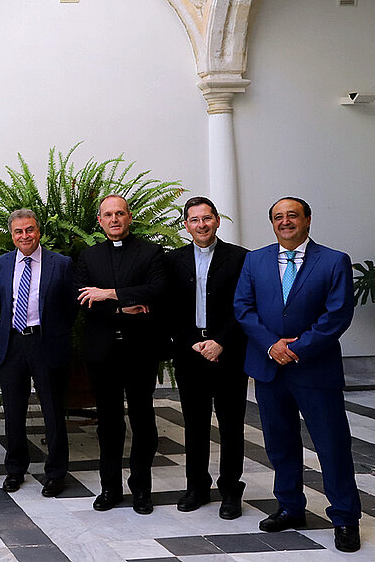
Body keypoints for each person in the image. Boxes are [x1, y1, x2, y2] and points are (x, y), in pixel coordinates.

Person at [234, 197, 361, 553]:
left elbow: (337, 315)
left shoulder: (333, 260)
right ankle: (290, 507)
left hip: (315, 369)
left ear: (307, 220)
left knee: (332, 445)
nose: (285, 221)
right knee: (279, 443)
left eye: (293, 215)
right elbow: (243, 309)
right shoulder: (254, 259)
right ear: (271, 224)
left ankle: (345, 518)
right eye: (278, 217)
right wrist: (272, 346)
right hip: (269, 368)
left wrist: (297, 348)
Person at [75, 194, 167, 515]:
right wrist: (126, 306)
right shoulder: (88, 256)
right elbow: (82, 299)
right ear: (99, 221)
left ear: (130, 217)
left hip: (139, 351)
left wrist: (109, 294)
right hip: (102, 353)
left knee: (143, 420)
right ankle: (109, 488)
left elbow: (158, 291)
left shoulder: (151, 252)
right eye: (108, 215)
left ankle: (141, 489)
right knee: (109, 423)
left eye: (120, 214)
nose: (114, 220)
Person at [165, 197, 248, 519]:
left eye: (207, 218)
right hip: (190, 353)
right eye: (194, 220)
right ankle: (196, 486)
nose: (201, 224)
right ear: (185, 225)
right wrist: (191, 342)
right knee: (195, 424)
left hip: (228, 353)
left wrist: (221, 342)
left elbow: (244, 306)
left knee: (230, 425)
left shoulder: (240, 258)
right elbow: (169, 308)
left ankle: (230, 489)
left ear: (216, 221)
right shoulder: (173, 261)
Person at [0, 209, 74, 496]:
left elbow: (71, 306)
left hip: (45, 341)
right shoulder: (1, 264)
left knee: (52, 410)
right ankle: (15, 469)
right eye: (18, 231)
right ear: (11, 235)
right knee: (14, 410)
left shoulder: (60, 263)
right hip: (13, 343)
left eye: (29, 230)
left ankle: (56, 472)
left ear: (38, 231)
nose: (24, 236)